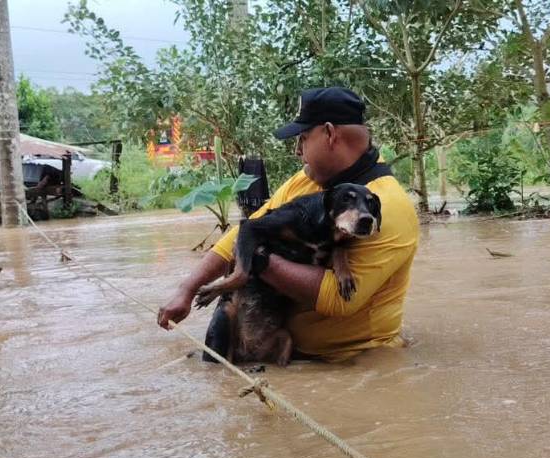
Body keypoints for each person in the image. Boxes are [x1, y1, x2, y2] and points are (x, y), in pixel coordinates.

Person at [157, 87, 420, 363]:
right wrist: (186, 289)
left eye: (303, 138)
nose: (297, 151)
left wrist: (258, 261)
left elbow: (339, 299)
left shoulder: (385, 208)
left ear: (330, 134)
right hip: (286, 353)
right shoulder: (306, 180)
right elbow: (248, 230)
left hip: (353, 363)